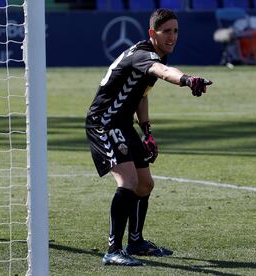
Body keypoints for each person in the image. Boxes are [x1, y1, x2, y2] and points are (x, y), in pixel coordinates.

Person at [85, 8, 212, 266]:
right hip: (104, 124)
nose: (172, 37)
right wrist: (188, 80)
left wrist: (147, 132)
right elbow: (165, 73)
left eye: (176, 31)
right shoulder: (144, 56)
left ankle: (136, 241)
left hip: (122, 124)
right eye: (166, 31)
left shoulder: (156, 56)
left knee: (145, 184)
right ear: (152, 33)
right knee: (129, 181)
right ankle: (113, 250)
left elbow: (142, 95)